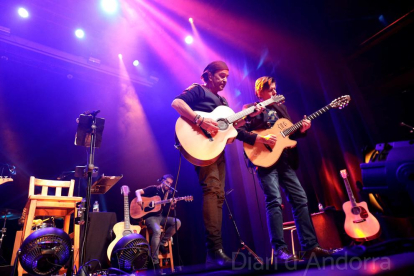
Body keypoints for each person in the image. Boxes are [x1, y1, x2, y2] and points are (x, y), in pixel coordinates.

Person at [237, 76, 331, 261]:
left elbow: (288, 135)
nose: (274, 92)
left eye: (274, 89)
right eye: (270, 89)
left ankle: (310, 247)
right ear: (259, 91)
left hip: (285, 160)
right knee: (274, 200)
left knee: (300, 199)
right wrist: (260, 139)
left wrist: (302, 130)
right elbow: (238, 131)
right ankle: (281, 250)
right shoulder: (250, 109)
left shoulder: (281, 108)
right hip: (264, 159)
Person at [171, 61, 245, 266]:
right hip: (200, 145)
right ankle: (214, 251)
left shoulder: (223, 101)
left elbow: (229, 135)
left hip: (216, 149)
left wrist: (239, 124)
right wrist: (200, 120)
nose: (225, 80)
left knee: (219, 195)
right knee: (212, 190)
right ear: (209, 75)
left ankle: (215, 252)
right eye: (221, 75)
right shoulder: (198, 90)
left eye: (227, 77)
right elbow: (177, 103)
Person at [135, 174, 181, 270]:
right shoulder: (154, 189)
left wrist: (173, 205)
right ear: (162, 181)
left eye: (170, 183)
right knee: (157, 231)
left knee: (177, 222)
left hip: (161, 217)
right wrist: (139, 198)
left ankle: (161, 243)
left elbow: (170, 209)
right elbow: (137, 191)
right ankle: (155, 262)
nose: (168, 185)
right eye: (167, 182)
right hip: (150, 217)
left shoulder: (169, 194)